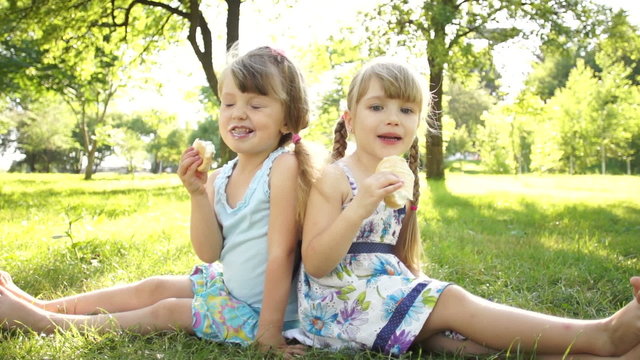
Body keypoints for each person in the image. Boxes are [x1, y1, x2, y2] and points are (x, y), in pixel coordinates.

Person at [293, 59, 640, 358]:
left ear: (419, 122)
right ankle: (604, 335)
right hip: (338, 307)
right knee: (453, 302)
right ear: (350, 120)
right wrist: (358, 208)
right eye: (377, 107)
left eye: (407, 110)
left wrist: (415, 286)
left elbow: (398, 253)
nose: (393, 119)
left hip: (381, 293)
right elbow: (317, 263)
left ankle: (590, 356)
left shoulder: (402, 179)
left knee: (457, 338)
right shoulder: (335, 178)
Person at [0, 46, 316, 356]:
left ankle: (48, 323)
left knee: (167, 310)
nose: (238, 113)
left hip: (264, 314)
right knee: (154, 287)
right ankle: (42, 305)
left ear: (288, 121)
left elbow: (282, 252)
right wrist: (197, 194)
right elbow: (209, 253)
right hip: (230, 289)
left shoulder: (282, 166)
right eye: (228, 103)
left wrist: (269, 333)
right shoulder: (219, 177)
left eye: (256, 105)